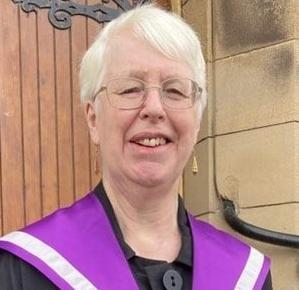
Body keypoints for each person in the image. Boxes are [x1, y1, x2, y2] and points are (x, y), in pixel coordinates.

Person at [0, 5, 272, 290]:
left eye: (175, 90)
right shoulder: (22, 271)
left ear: (197, 122)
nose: (154, 108)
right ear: (93, 118)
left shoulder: (246, 275)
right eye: (130, 88)